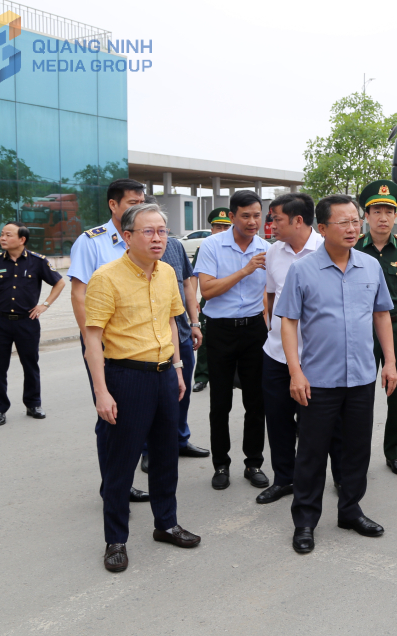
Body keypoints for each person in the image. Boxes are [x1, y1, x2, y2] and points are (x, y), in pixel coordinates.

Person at [84, 203, 201, 573]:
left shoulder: (167, 271)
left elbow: (170, 321)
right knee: (121, 462)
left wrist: (179, 370)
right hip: (126, 378)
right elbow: (92, 338)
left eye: (162, 232)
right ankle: (115, 539)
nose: (157, 238)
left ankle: (166, 524)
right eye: (148, 232)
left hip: (166, 376)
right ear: (128, 236)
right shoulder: (106, 277)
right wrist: (101, 392)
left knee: (167, 456)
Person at [276, 194, 396, 554]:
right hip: (318, 380)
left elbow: (381, 315)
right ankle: (305, 521)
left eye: (355, 220)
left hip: (361, 376)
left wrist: (389, 362)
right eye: (343, 222)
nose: (352, 228)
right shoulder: (302, 270)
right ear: (323, 227)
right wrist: (295, 372)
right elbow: (288, 322)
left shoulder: (370, 266)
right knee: (311, 453)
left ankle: (350, 510)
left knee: (356, 450)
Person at [68, 178, 151, 503]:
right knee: (111, 414)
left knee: (135, 417)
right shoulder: (92, 242)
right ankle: (113, 488)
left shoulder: (142, 241)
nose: (138, 208)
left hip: (139, 344)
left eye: (142, 202)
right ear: (113, 205)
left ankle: (121, 483)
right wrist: (94, 343)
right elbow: (79, 294)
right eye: (132, 203)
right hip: (104, 345)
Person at [257, 192, 342, 505]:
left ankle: (340, 479)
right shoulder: (273, 253)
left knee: (325, 425)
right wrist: (273, 331)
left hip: (318, 358)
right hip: (277, 355)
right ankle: (284, 478)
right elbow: (271, 296)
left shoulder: (328, 249)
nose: (271, 224)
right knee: (278, 421)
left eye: (276, 218)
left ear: (297, 220)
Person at [194, 192, 271, 491]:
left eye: (257, 215)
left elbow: (270, 292)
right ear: (232, 216)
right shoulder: (213, 245)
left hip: (254, 329)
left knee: (256, 401)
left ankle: (254, 463)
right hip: (221, 329)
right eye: (246, 216)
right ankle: (221, 464)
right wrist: (246, 270)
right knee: (220, 402)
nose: (253, 222)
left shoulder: (267, 248)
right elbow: (208, 290)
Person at [354, 180, 397, 477]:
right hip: (361, 330)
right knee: (359, 394)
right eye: (377, 211)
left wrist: (394, 313)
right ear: (366, 216)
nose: (383, 217)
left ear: (395, 216)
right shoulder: (353, 247)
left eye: (388, 211)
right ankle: (356, 456)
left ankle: (395, 453)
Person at [0, 222, 65, 426]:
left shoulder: (38, 262)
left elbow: (59, 282)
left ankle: (33, 404)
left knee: (30, 364)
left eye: (8, 235)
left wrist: (45, 304)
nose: (2, 238)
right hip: (0, 322)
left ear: (22, 239)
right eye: (2, 234)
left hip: (28, 322)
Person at [140, 230, 211, 472]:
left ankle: (180, 440)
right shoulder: (132, 248)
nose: (158, 235)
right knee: (152, 398)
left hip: (179, 332)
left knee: (182, 392)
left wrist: (194, 322)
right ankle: (149, 450)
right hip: (149, 340)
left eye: (162, 227)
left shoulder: (174, 246)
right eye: (151, 228)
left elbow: (188, 285)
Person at [191, 208, 233, 393]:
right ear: (212, 229)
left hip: (233, 300)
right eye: (218, 227)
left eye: (226, 227)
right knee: (205, 338)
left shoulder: (237, 247)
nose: (222, 231)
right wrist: (193, 300)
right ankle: (202, 376)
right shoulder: (205, 248)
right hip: (209, 299)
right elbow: (193, 276)